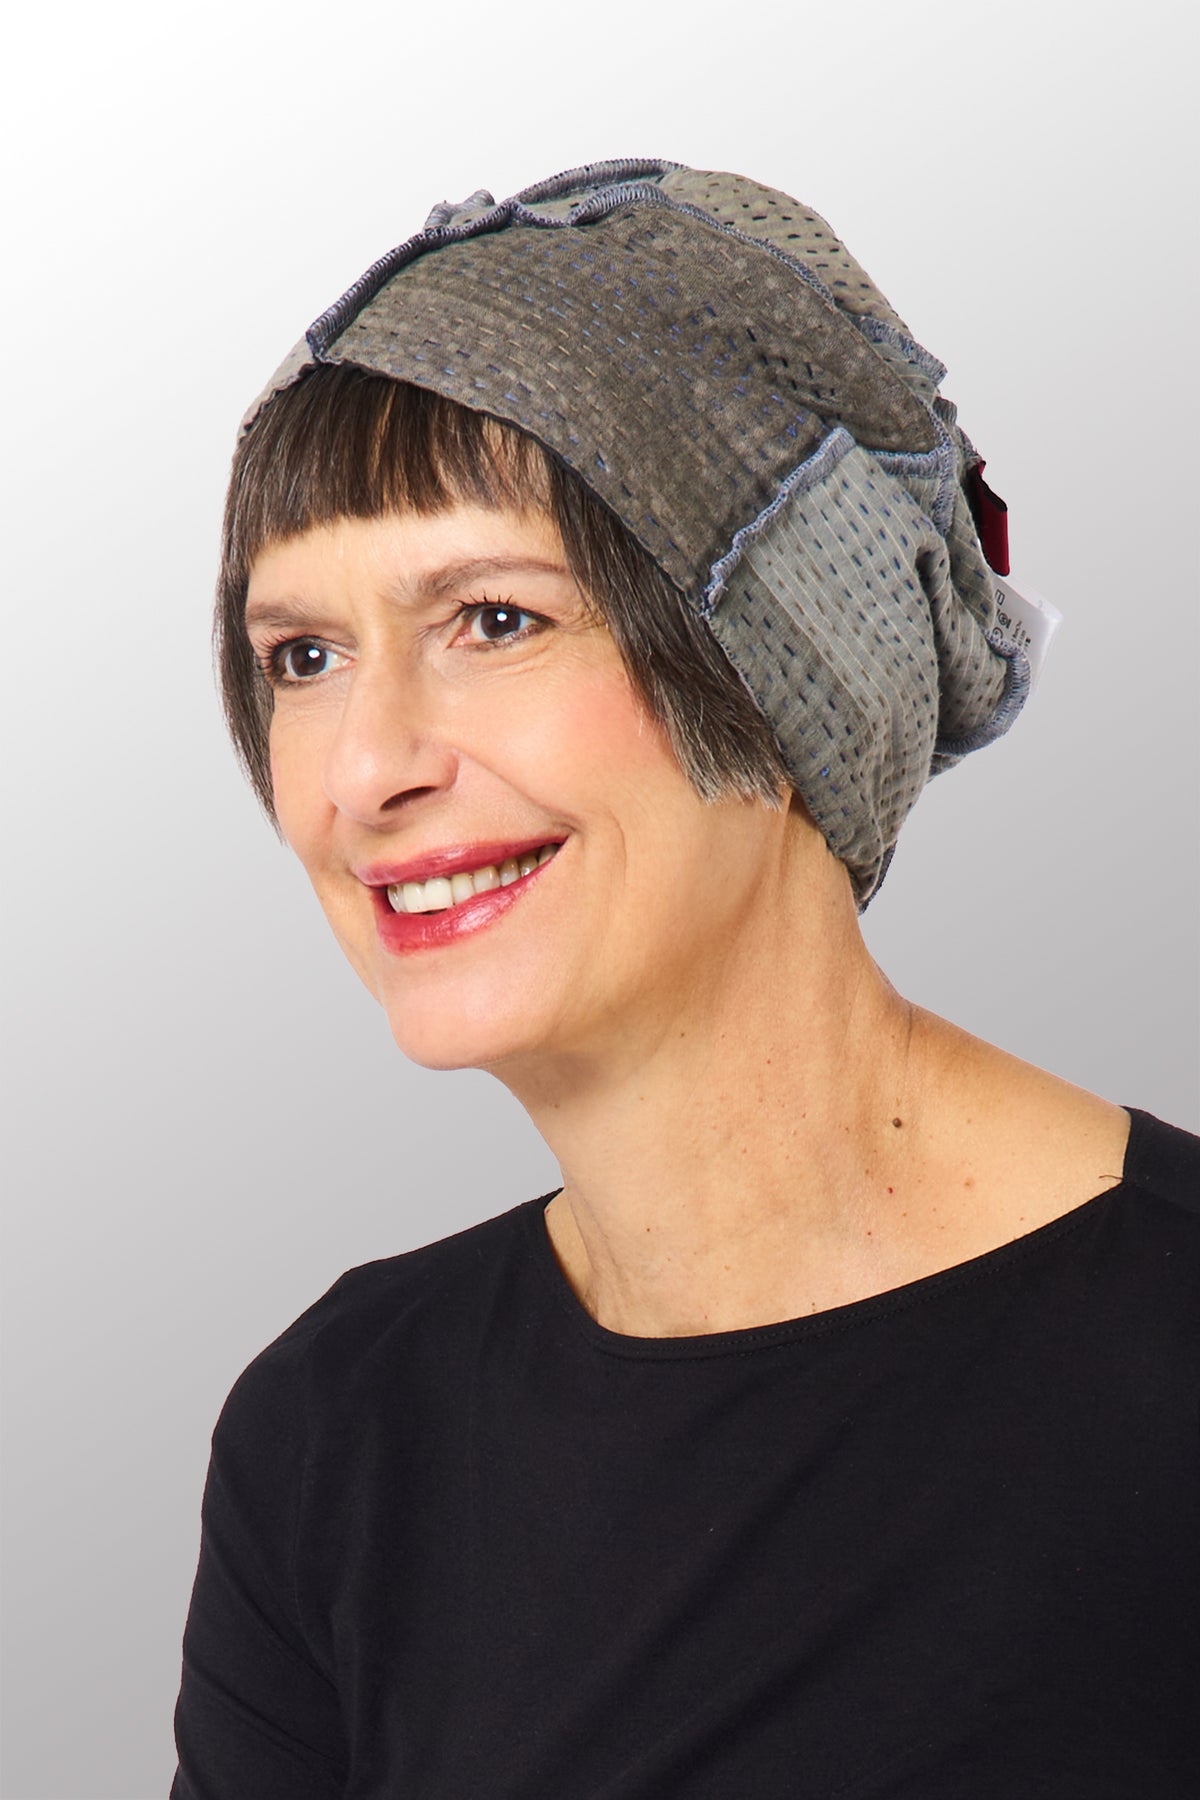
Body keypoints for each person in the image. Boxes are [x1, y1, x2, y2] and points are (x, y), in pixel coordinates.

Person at [171, 159, 1199, 1798]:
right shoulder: (338, 1437)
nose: (363, 770)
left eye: (494, 620)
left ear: (786, 671)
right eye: (303, 655)